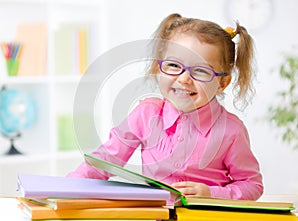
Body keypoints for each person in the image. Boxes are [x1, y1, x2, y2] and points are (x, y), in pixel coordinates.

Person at [68, 13, 263, 201]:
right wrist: (69, 186)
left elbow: (252, 185)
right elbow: (105, 161)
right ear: (158, 66)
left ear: (222, 83)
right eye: (173, 66)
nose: (184, 79)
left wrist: (212, 193)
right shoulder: (146, 114)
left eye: (202, 71)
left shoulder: (232, 130)